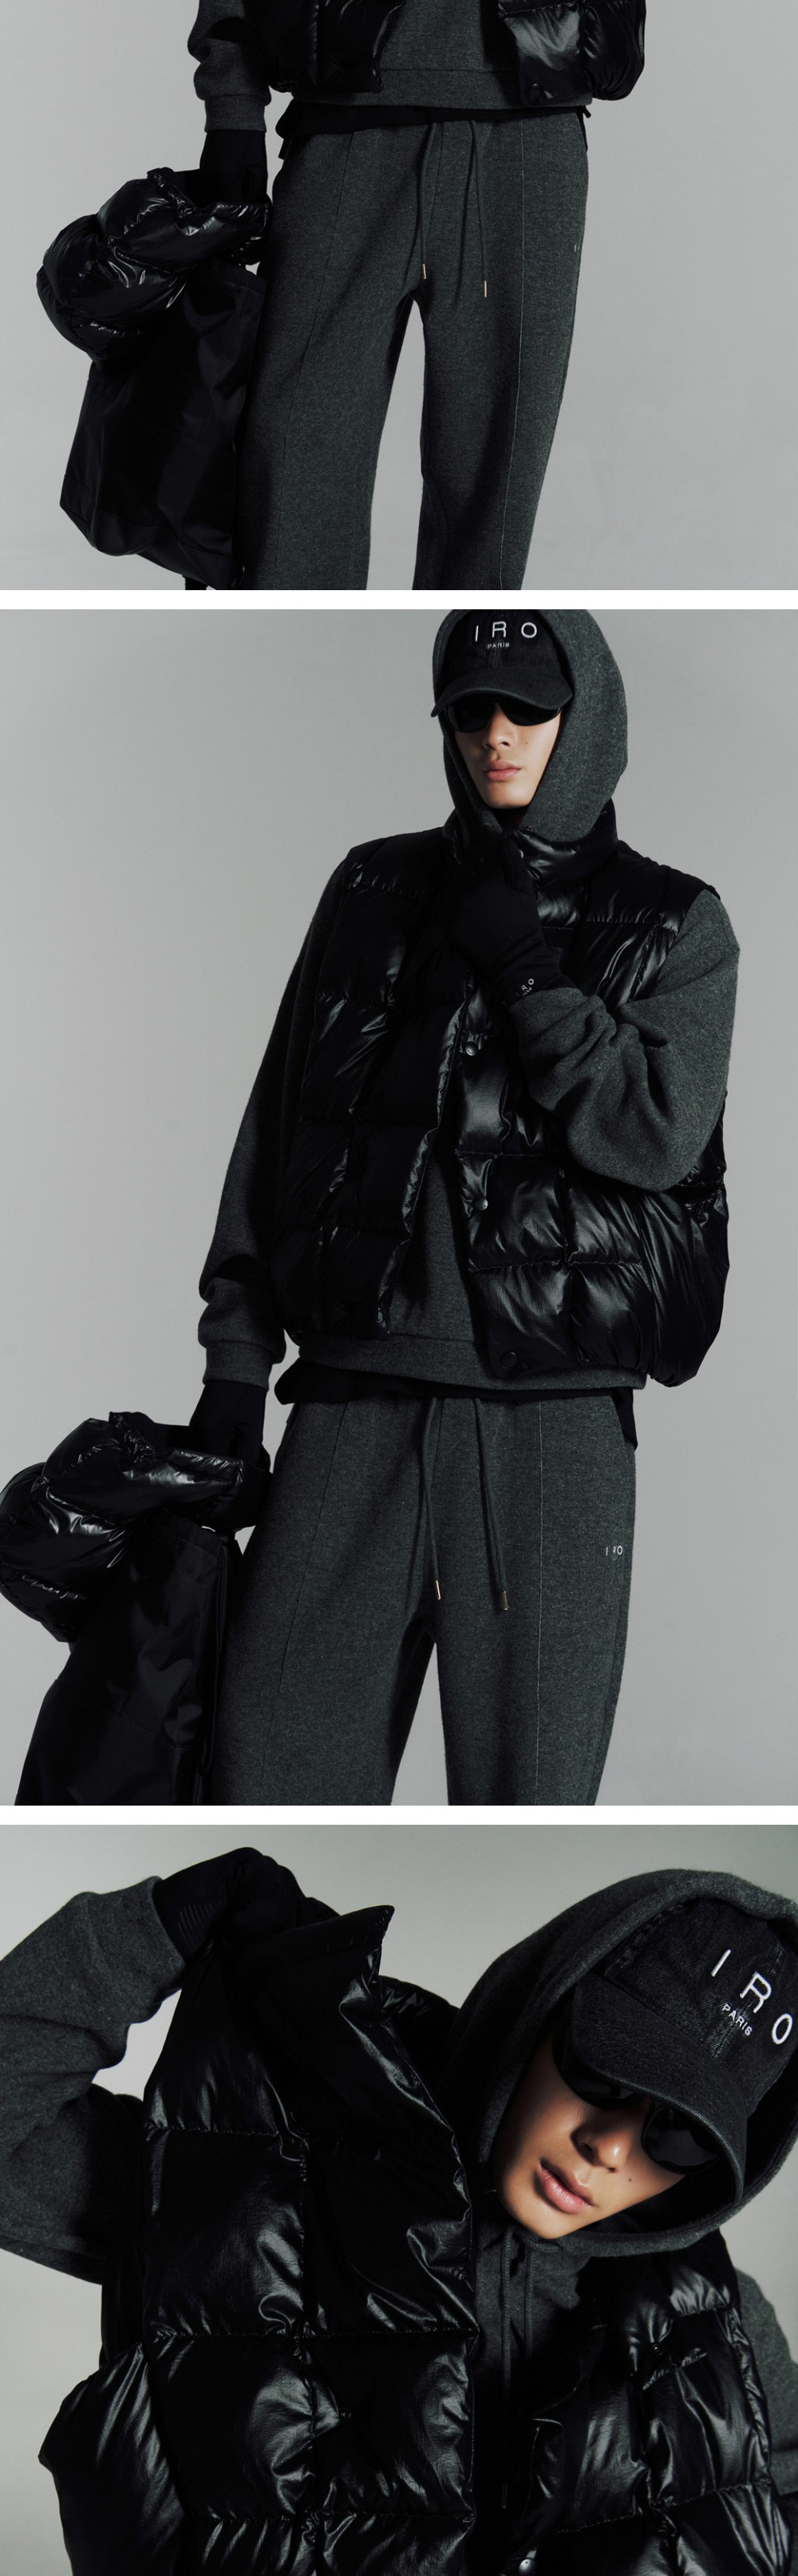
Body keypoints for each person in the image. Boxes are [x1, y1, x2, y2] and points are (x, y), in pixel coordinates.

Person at [189, 609, 739, 1803]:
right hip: (351, 1408)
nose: (497, 734)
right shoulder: (371, 885)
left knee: (531, 1799)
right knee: (266, 1780)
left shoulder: (677, 922)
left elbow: (654, 1132)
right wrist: (235, 1362)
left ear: (585, 717)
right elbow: (277, 1124)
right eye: (472, 708)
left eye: (528, 708)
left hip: (554, 1426)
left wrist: (530, 971)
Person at [2, 1854, 796, 2572]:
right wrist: (148, 1933)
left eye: (678, 2135)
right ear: (535, 2008)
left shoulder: (718, 2326)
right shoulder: (253, 2185)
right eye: (602, 2073)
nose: (610, 2147)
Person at [187, 0, 646, 586]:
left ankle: (459, 644)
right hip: (343, 127)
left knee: (494, 486)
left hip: (531, 131)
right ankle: (290, 643)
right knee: (293, 454)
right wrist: (232, 108)